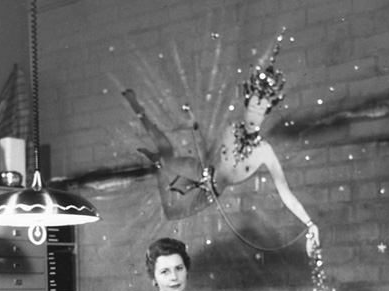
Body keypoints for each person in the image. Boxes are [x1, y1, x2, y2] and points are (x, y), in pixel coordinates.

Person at [122, 36, 320, 256]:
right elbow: (207, 154)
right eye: (253, 106)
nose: (255, 113)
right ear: (246, 105)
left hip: (212, 192)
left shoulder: (265, 151)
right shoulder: (230, 129)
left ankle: (157, 163)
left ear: (266, 112)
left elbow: (285, 192)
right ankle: (139, 111)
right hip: (201, 170)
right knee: (167, 158)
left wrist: (310, 223)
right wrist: (194, 128)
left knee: (170, 211)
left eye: (261, 109)